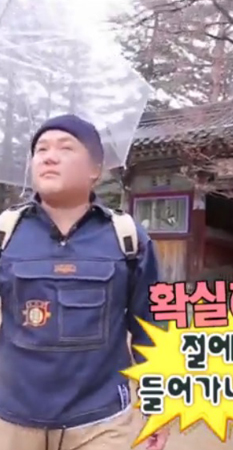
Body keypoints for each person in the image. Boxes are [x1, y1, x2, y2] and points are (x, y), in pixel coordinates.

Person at [0, 114, 170, 450]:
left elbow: (153, 330)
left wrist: (157, 406)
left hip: (102, 421)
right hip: (12, 419)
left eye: (65, 148)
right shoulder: (6, 233)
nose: (49, 157)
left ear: (95, 169)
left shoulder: (127, 238)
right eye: (41, 149)